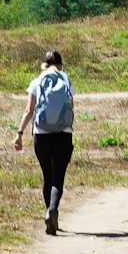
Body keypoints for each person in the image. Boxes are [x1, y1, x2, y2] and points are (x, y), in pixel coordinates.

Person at [13, 49, 75, 235]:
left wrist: (19, 133)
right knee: (58, 177)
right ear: (60, 65)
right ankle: (53, 210)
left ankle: (50, 213)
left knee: (47, 176)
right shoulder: (65, 80)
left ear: (44, 65)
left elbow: (28, 110)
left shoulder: (36, 82)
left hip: (41, 135)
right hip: (63, 134)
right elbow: (71, 108)